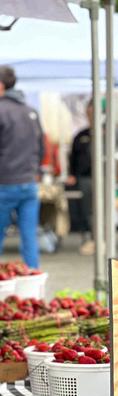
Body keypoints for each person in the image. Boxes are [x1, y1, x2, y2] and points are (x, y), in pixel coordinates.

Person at [0, 65, 44, 268]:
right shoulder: (30, 111)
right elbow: (41, 147)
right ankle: (33, 280)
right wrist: (36, 171)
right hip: (29, 183)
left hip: (4, 183)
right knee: (29, 237)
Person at [67, 100, 95, 255]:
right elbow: (72, 158)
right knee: (86, 208)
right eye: (89, 112)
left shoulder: (107, 134)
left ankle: (99, 237)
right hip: (84, 178)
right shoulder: (80, 136)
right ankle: (89, 236)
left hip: (103, 178)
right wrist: (72, 174)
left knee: (100, 209)